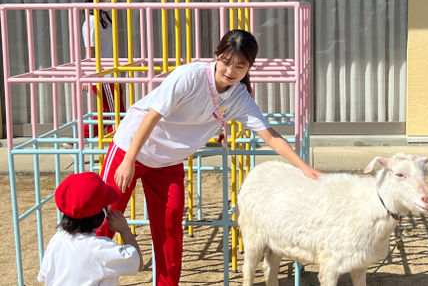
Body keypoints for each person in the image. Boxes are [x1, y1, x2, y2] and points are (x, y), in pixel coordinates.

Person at [95, 29, 323, 286]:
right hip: (133, 147)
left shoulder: (239, 97)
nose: (231, 70)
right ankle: (90, 278)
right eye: (226, 61)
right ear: (216, 55)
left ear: (249, 67)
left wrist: (305, 168)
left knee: (170, 228)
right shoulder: (190, 76)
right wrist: (128, 160)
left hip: (168, 161)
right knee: (104, 216)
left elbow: (269, 135)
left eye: (240, 65)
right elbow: (151, 116)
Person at [38, 172, 143, 285]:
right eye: (108, 204)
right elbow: (138, 264)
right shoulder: (101, 248)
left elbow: (44, 277)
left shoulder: (57, 239)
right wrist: (124, 230)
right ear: (101, 215)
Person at [81, 0, 125, 140]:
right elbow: (90, 51)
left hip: (111, 71)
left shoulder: (104, 17)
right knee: (111, 113)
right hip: (103, 75)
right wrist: (88, 74)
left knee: (115, 111)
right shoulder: (91, 22)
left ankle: (115, 141)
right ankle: (79, 139)